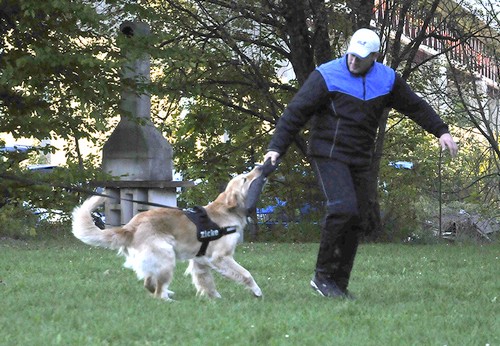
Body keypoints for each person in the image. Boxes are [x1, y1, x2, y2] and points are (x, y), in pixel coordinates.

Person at [263, 28, 458, 299]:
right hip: (327, 152)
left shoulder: (387, 79)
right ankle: (322, 277)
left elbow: (415, 106)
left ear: (375, 57)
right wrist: (275, 148)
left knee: (358, 216)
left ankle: (338, 284)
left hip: (360, 157)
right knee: (342, 207)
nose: (353, 61)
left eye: (361, 57)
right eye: (351, 55)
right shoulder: (327, 75)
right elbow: (295, 113)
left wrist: (441, 130)